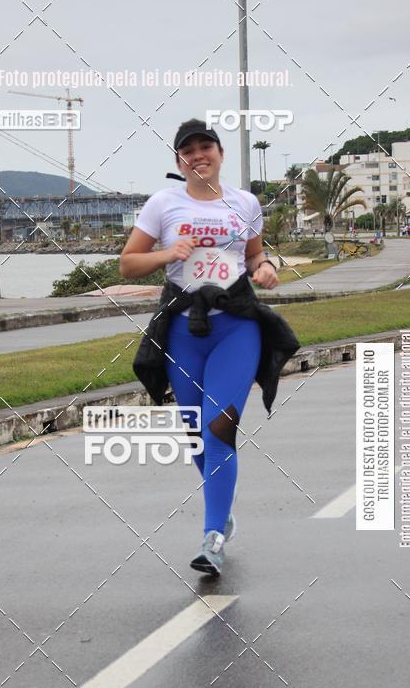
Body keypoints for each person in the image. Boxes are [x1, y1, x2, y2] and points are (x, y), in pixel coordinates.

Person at [122, 119, 299, 576]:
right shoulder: (163, 204)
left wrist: (265, 268)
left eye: (206, 147)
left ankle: (213, 535)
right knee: (196, 433)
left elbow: (256, 254)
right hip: (184, 331)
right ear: (178, 162)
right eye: (188, 151)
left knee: (219, 426)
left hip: (236, 327)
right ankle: (223, 508)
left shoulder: (244, 202)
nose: (198, 155)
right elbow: (128, 264)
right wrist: (166, 254)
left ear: (220, 153)